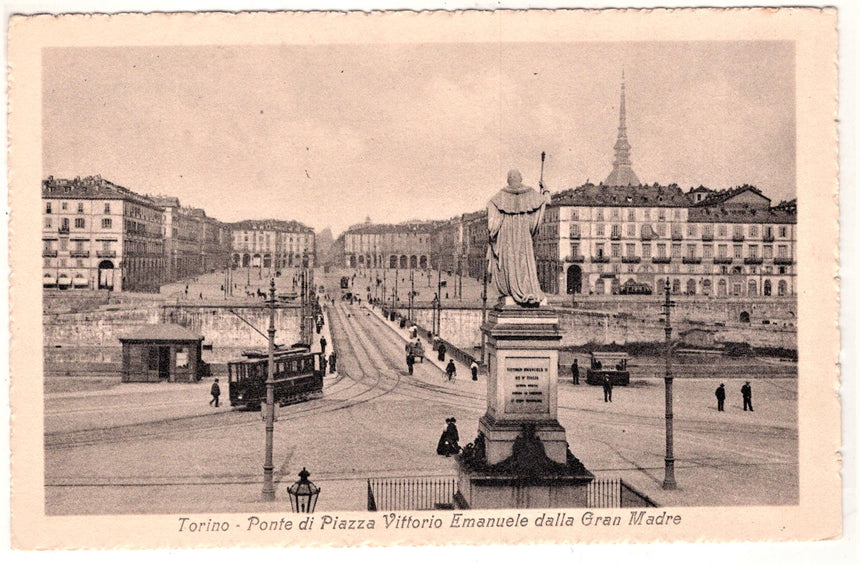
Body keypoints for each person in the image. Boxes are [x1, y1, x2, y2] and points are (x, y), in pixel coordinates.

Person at [486, 169, 551, 306]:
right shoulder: (530, 193)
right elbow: (546, 202)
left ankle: (512, 289)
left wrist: (492, 237)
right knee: (524, 261)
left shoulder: (499, 197)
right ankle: (527, 289)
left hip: (506, 236)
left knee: (509, 262)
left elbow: (492, 225)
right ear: (520, 179)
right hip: (523, 235)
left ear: (508, 180)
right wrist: (545, 189)